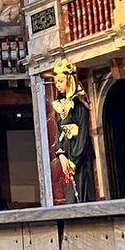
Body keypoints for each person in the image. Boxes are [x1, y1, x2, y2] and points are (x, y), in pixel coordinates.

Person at [52, 59, 95, 203]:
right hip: (67, 154)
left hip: (79, 155)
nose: (57, 85)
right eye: (56, 82)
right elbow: (58, 132)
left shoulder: (79, 103)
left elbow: (83, 134)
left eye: (60, 81)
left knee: (82, 192)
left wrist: (74, 160)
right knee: (70, 193)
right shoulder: (60, 105)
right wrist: (61, 154)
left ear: (69, 81)